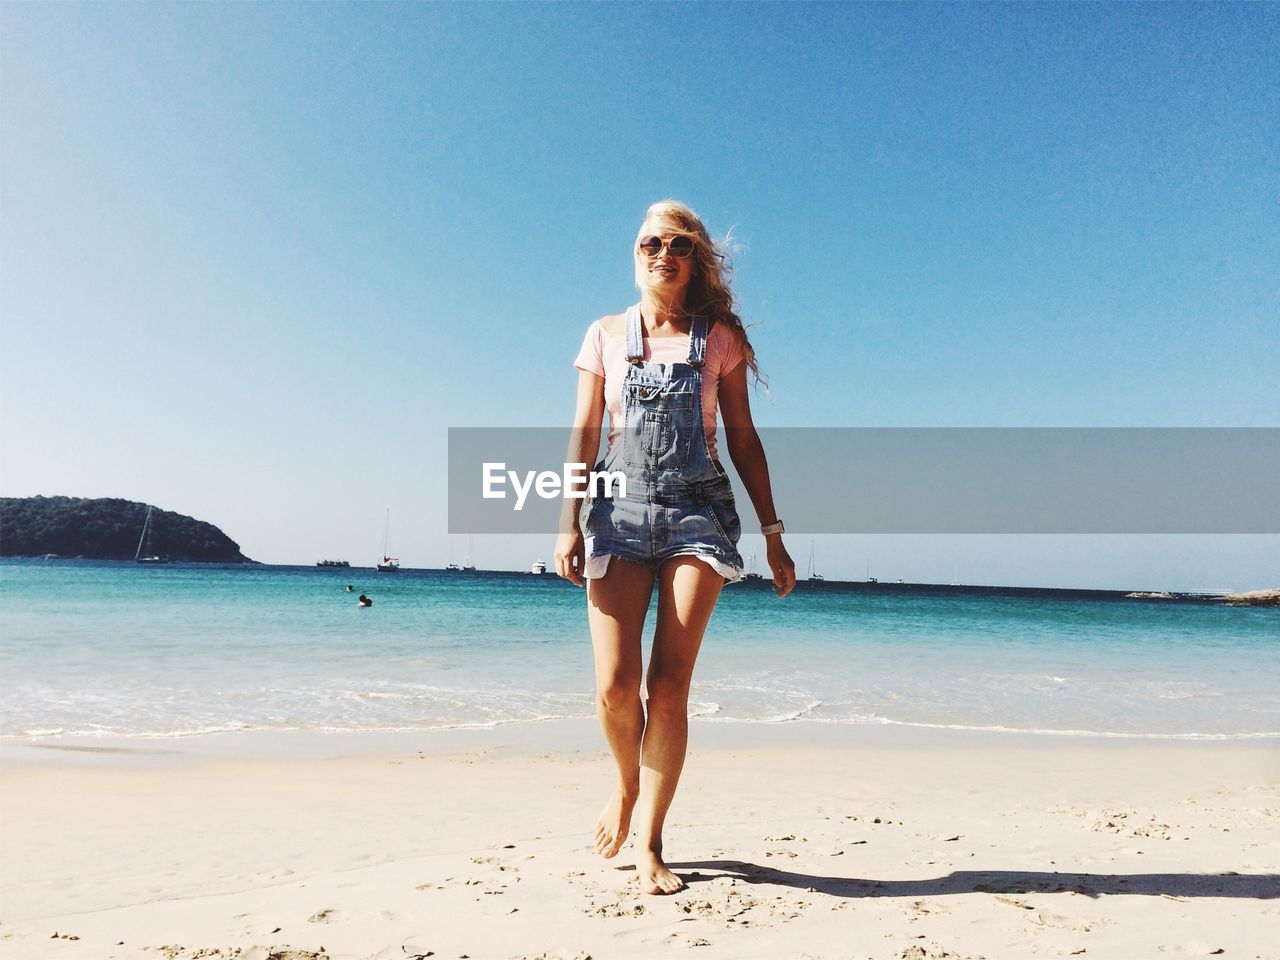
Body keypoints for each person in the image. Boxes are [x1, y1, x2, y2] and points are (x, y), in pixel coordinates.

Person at [555, 200, 796, 895]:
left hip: (698, 515)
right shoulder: (603, 334)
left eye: (678, 243)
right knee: (613, 689)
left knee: (668, 687)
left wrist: (775, 534)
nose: (662, 252)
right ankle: (625, 787)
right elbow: (584, 429)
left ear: (696, 259)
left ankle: (653, 839)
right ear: (636, 254)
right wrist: (567, 520)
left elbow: (744, 440)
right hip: (617, 512)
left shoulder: (720, 337)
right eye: (649, 242)